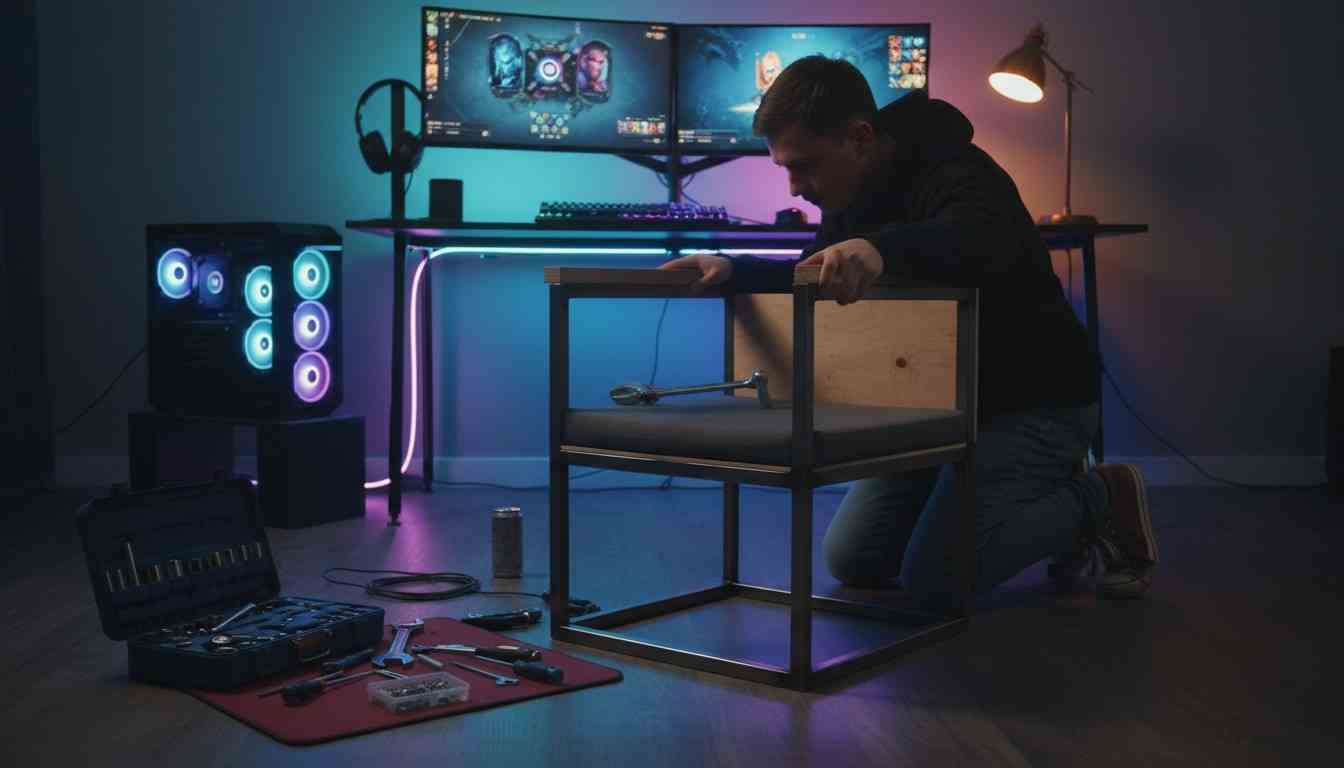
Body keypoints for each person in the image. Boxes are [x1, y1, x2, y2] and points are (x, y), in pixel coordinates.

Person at [658, 56, 1158, 608]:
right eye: (786, 170)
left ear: (860, 137)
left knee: (935, 580)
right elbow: (813, 272)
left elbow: (980, 235)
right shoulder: (848, 197)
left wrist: (882, 248)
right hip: (935, 405)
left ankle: (1099, 497)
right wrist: (733, 268)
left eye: (805, 166)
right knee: (855, 560)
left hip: (1035, 404)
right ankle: (996, 504)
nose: (796, 187)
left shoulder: (960, 170)